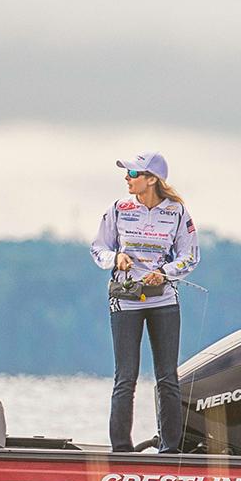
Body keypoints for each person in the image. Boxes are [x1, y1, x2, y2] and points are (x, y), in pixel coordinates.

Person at [89, 151, 199, 453]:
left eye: (134, 174)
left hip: (163, 301)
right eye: (127, 173)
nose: (127, 178)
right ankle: (121, 451)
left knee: (167, 378)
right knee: (125, 378)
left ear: (152, 179)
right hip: (126, 302)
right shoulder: (118, 209)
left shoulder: (177, 212)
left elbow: (190, 256)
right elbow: (98, 249)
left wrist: (164, 273)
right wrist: (117, 258)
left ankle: (170, 450)